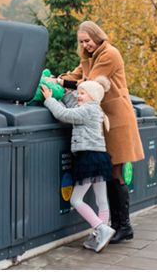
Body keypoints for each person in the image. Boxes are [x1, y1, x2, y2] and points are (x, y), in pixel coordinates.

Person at [46, 21, 144, 244]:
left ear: (97, 37)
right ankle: (114, 225)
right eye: (81, 42)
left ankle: (124, 226)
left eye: (87, 41)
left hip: (116, 120)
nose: (85, 45)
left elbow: (88, 83)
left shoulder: (110, 54)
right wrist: (57, 78)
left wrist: (61, 82)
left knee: (116, 173)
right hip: (101, 119)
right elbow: (76, 74)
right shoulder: (89, 57)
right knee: (108, 174)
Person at [40, 77, 116, 252]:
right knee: (101, 201)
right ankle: (100, 237)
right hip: (99, 157)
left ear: (93, 96)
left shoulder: (87, 110)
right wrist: (65, 92)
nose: (78, 96)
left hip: (88, 157)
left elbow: (64, 115)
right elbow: (73, 104)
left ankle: (101, 228)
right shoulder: (95, 109)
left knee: (75, 199)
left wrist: (50, 99)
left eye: (82, 93)